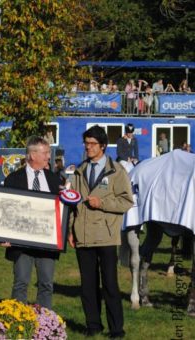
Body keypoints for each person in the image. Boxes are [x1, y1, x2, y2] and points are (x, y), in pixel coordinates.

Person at [68, 126, 133, 338]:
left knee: (110, 285)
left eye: (92, 144)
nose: (88, 147)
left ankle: (117, 329)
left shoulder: (117, 171)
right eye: (86, 143)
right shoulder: (79, 170)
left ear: (103, 146)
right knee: (87, 286)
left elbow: (126, 201)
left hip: (106, 236)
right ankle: (93, 326)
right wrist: (70, 229)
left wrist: (102, 202)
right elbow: (72, 202)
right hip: (83, 235)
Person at [0, 136, 62, 309]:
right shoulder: (13, 179)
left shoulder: (54, 179)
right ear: (33, 155)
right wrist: (3, 235)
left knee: (46, 284)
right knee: (20, 282)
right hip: (21, 242)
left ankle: (45, 326)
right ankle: (18, 323)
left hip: (47, 241)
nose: (49, 157)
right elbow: (4, 209)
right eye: (46, 153)